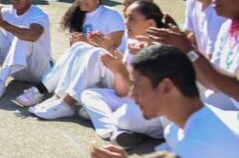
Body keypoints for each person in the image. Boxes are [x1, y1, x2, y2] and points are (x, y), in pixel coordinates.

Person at [88, 45, 239, 158]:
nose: (132, 94)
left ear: (166, 86)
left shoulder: (196, 144)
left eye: (138, 85)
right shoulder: (180, 128)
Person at [15, 0, 125, 118]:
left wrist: (87, 40)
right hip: (88, 75)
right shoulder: (77, 16)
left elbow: (115, 48)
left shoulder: (112, 15)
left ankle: (48, 93)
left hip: (113, 73)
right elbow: (73, 57)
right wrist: (82, 41)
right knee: (79, 48)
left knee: (87, 49)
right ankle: (57, 98)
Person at [148, 0, 239, 112]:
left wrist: (187, 50)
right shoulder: (227, 24)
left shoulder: (221, 17)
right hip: (215, 89)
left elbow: (220, 83)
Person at [79, 0, 175, 149]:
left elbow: (150, 94)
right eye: (126, 18)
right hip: (134, 103)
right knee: (89, 95)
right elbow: (122, 92)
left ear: (150, 24)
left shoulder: (163, 50)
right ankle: (117, 132)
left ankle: (114, 127)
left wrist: (121, 70)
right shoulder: (133, 44)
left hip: (157, 111)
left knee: (124, 115)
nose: (125, 23)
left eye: (132, 19)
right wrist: (117, 67)